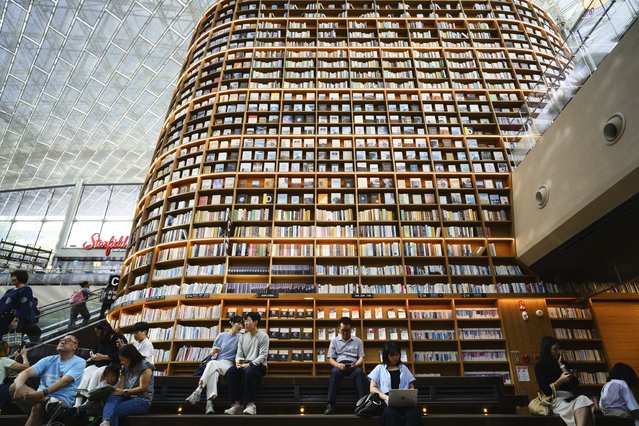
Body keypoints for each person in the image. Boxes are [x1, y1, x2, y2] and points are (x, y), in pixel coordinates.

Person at [10, 334, 85, 426]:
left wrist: (42, 393)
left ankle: (47, 405)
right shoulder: (48, 360)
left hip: (60, 401)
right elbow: (24, 373)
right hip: (40, 398)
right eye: (61, 339)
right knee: (13, 387)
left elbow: (64, 381)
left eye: (68, 340)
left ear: (75, 346)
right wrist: (19, 388)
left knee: (37, 408)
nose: (62, 341)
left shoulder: (79, 362)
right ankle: (47, 402)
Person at [186, 315, 244, 414]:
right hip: (217, 362)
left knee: (212, 364)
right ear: (232, 323)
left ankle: (198, 390)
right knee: (213, 372)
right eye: (239, 323)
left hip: (229, 365)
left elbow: (240, 354)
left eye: (242, 324)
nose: (241, 326)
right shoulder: (221, 335)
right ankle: (209, 404)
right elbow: (213, 355)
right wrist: (213, 353)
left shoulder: (241, 337)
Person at [534, 335, 594, 426]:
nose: (558, 352)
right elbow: (547, 391)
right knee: (583, 407)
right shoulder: (540, 366)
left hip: (570, 398)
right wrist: (561, 380)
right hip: (555, 400)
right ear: (547, 350)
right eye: (555, 349)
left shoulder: (562, 364)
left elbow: (575, 384)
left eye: (559, 349)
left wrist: (562, 366)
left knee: (582, 399)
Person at [224, 311, 269, 415]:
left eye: (248, 321)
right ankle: (236, 405)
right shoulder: (243, 337)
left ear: (255, 322)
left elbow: (263, 356)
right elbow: (239, 354)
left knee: (249, 372)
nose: (245, 323)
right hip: (245, 363)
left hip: (259, 365)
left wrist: (250, 364)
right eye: (244, 321)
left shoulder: (264, 336)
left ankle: (251, 405)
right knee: (231, 371)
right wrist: (238, 363)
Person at [75, 322, 127, 407]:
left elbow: (122, 355)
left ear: (105, 331)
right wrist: (93, 355)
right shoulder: (102, 339)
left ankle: (89, 399)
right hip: (98, 363)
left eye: (99, 332)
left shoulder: (118, 337)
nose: (97, 335)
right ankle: (78, 402)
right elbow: (95, 350)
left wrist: (104, 357)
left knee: (97, 373)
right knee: (86, 371)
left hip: (112, 365)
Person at [368, 341, 421, 426]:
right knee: (389, 413)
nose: (395, 357)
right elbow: (372, 388)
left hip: (403, 401)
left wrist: (410, 396)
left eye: (397, 355)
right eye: (392, 355)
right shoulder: (379, 368)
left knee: (414, 413)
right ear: (386, 355)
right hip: (386, 401)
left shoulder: (404, 368)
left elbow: (411, 387)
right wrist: (386, 397)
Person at [100, 344, 154, 426]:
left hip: (142, 401)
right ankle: (106, 423)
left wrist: (124, 392)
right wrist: (116, 391)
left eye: (123, 360)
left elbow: (143, 388)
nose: (121, 363)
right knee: (112, 396)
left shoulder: (145, 367)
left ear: (130, 358)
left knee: (114, 409)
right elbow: (121, 388)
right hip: (127, 397)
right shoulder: (125, 368)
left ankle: (106, 422)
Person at [324, 316, 368, 415]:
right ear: (338, 329)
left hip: (353, 366)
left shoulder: (358, 341)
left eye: (347, 331)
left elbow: (361, 357)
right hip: (339, 366)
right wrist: (337, 365)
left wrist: (356, 364)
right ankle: (330, 404)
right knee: (334, 372)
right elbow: (330, 358)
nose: (345, 333)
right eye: (343, 330)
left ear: (351, 329)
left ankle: (363, 404)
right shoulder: (334, 341)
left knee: (360, 372)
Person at [0, 270, 35, 335]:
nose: (12, 278)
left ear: (20, 277)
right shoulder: (10, 290)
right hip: (2, 319)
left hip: (11, 321)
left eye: (14, 276)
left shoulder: (26, 290)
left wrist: (16, 320)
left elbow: (24, 305)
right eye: (12, 276)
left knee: (6, 342)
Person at [0, 341, 30, 408]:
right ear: (5, 349)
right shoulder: (3, 360)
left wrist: (15, 358)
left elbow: (9, 368)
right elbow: (26, 366)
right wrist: (24, 355)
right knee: (17, 384)